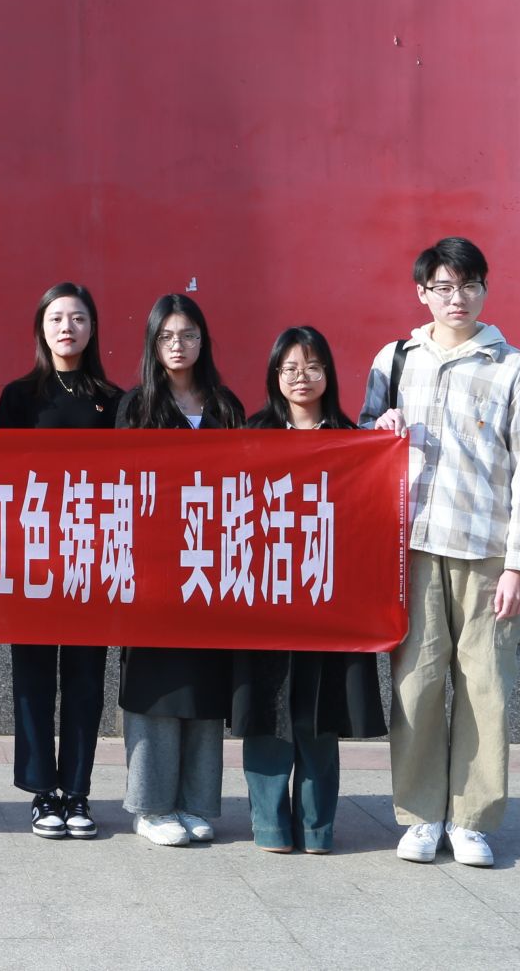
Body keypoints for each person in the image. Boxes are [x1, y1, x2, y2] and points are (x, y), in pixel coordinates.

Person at [363, 237, 520, 869]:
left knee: (485, 688)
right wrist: (376, 430)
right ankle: (420, 816)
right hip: (412, 549)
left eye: (468, 285)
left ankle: (472, 820)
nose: (456, 298)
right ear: (422, 293)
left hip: (486, 553)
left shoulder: (513, 368)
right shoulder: (395, 360)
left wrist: (519, 563)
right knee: (415, 685)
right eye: (442, 287)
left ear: (484, 290)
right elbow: (361, 446)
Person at [230, 325, 387, 854]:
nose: (302, 378)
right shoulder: (252, 435)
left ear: (329, 374)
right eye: (291, 368)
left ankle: (318, 827)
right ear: (276, 375)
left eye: (313, 367)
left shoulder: (353, 439)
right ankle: (270, 825)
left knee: (319, 715)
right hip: (266, 596)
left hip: (327, 598)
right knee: (268, 711)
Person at [114, 292, 243, 847]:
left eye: (188, 335)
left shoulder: (225, 405)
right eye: (167, 336)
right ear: (152, 342)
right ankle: (150, 806)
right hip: (154, 568)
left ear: (203, 341)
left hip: (211, 567)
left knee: (205, 685)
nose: (178, 345)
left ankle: (195, 802)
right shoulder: (137, 406)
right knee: (156, 686)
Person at [0, 282, 119, 839]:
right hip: (34, 552)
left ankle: (78, 790)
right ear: (41, 329)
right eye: (56, 319)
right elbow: (1, 477)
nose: (67, 328)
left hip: (93, 553)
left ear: (93, 328)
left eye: (78, 318)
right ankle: (42, 790)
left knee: (86, 678)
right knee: (34, 676)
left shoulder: (114, 400)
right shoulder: (19, 397)